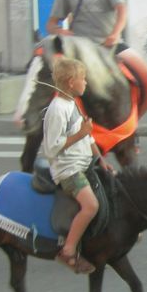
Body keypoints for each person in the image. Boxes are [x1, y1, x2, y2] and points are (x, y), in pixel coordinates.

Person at [43, 58, 101, 274]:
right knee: (91, 206)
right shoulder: (58, 109)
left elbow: (88, 137)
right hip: (68, 171)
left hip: (84, 163)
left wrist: (101, 160)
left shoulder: (72, 104)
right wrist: (81, 134)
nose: (85, 83)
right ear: (70, 82)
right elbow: (51, 148)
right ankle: (68, 251)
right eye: (82, 79)